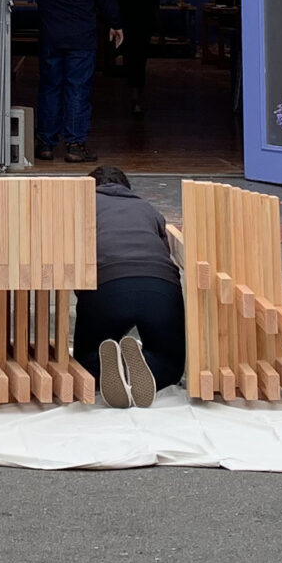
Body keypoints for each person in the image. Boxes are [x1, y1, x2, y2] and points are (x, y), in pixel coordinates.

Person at [13, 0, 123, 163]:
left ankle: (46, 144)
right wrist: (116, 23)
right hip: (82, 38)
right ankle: (74, 145)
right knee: (77, 90)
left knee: (50, 88)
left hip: (51, 36)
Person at [71, 166, 185, 408]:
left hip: (108, 284)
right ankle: (145, 365)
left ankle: (113, 367)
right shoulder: (148, 208)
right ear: (127, 188)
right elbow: (164, 250)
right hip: (160, 285)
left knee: (85, 357)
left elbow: (73, 257)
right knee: (170, 361)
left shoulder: (82, 207)